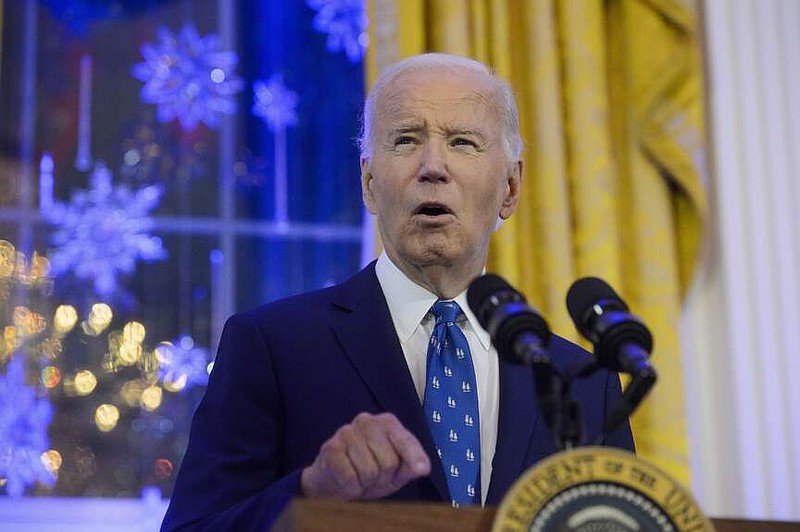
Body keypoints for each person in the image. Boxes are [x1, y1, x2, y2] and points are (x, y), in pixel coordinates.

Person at [161, 53, 634, 531]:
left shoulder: (584, 383)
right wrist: (310, 493)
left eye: (462, 142)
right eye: (406, 140)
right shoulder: (272, 346)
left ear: (509, 187)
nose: (433, 167)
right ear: (369, 183)